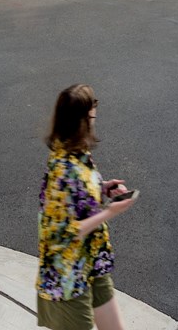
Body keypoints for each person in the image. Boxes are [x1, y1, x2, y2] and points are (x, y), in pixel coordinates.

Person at [36, 84, 136, 329]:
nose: (94, 121)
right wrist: (109, 213)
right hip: (67, 277)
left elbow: (78, 197)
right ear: (81, 121)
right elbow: (60, 234)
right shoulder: (62, 169)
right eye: (92, 117)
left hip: (92, 262)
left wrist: (104, 188)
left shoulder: (79, 153)